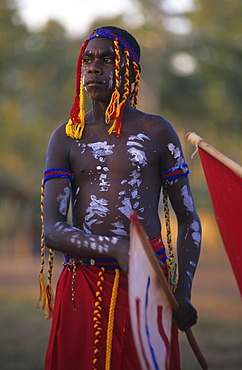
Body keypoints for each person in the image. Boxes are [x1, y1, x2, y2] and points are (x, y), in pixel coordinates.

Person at [39, 26, 201, 370]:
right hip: (82, 287)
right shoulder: (66, 138)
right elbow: (52, 231)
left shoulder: (156, 132)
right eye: (88, 59)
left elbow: (188, 220)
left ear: (131, 70)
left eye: (107, 59)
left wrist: (183, 292)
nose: (93, 67)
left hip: (149, 284)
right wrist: (115, 248)